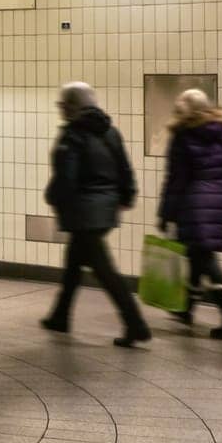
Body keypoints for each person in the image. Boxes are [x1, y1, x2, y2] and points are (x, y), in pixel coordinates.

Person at [41, 82, 152, 347]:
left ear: (72, 106)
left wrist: (53, 197)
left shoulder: (73, 135)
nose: (60, 109)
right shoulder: (110, 131)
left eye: (62, 104)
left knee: (105, 272)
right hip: (105, 208)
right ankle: (60, 315)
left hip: (84, 211)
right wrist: (127, 196)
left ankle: (136, 324)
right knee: (74, 264)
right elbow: (125, 169)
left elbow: (66, 178)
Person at [157, 88, 222, 340]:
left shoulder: (183, 136)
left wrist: (165, 214)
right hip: (221, 200)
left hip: (194, 203)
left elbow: (175, 180)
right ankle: (185, 309)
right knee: (198, 254)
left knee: (205, 257)